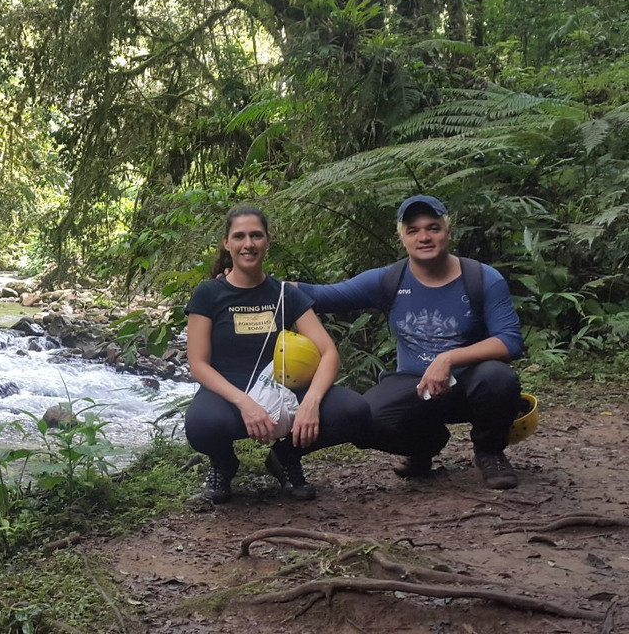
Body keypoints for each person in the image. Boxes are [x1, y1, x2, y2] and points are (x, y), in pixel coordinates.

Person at [296, 195, 525, 489]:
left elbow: (509, 340)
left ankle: (490, 451)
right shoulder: (389, 280)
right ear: (401, 237)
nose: (424, 237)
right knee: (366, 418)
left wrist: (448, 358)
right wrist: (252, 283)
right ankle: (422, 446)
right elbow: (322, 295)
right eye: (413, 230)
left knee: (498, 378)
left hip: (469, 384)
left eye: (433, 228)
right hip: (413, 386)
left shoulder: (483, 278)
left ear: (448, 231)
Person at [184, 204, 370, 503]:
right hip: (229, 395)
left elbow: (328, 353)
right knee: (201, 425)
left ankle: (284, 458)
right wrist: (245, 403)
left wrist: (311, 401)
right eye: (240, 236)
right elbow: (199, 364)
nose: (248, 244)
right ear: (226, 243)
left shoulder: (285, 294)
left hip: (283, 391)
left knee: (354, 411)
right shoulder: (208, 294)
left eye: (256, 235)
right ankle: (223, 462)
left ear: (267, 240)